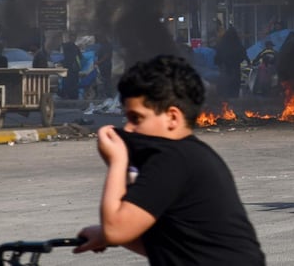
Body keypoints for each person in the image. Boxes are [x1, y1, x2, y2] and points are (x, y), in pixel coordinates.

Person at [73, 55, 265, 264]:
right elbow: (172, 244)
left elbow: (116, 229)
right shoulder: (189, 154)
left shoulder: (172, 159)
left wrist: (117, 162)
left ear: (172, 117)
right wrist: (104, 235)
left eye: (136, 118)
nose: (128, 128)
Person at [214, 25, 249, 99]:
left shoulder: (222, 44)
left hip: (225, 70)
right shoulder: (237, 44)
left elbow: (217, 57)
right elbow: (243, 54)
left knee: (225, 89)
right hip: (235, 69)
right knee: (234, 88)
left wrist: (220, 64)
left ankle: (225, 104)